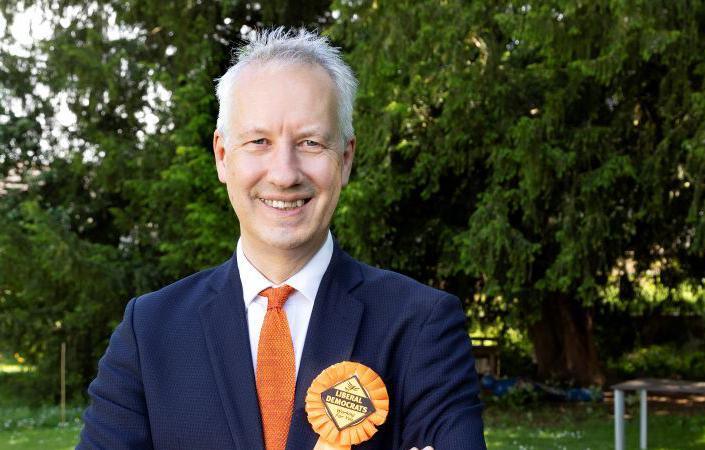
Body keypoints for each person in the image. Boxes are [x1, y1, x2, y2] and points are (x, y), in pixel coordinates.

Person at [78, 27, 485, 450]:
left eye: (310, 143)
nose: (285, 174)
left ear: (345, 159)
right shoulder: (150, 331)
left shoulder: (422, 323)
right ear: (222, 156)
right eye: (259, 142)